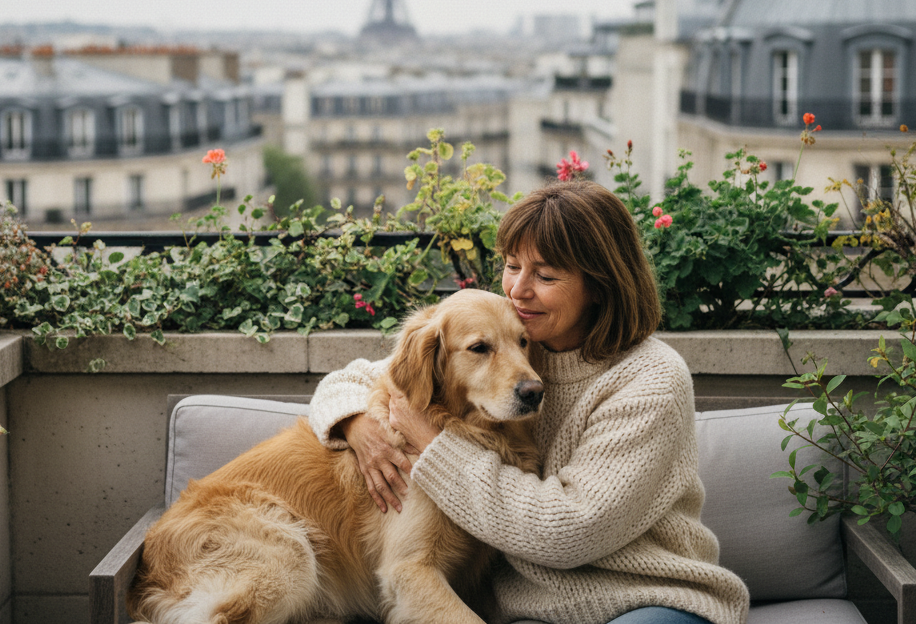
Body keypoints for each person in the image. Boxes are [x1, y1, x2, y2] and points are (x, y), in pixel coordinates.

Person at [308, 180, 750, 624]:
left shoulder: (651, 379)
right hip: (527, 609)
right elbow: (354, 378)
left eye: (545, 275)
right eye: (511, 265)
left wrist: (431, 444)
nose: (517, 290)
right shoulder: (517, 340)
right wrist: (356, 423)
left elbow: (568, 532)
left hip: (647, 598)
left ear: (599, 285)